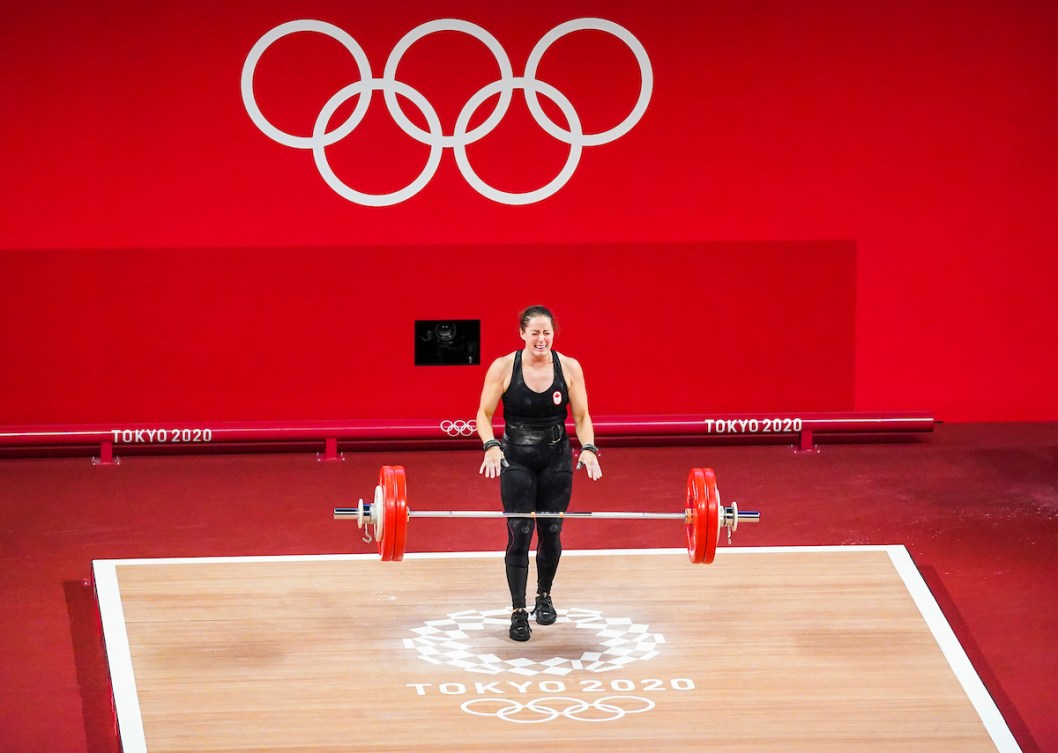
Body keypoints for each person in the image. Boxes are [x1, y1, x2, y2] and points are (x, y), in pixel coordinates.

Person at [476, 305, 602, 642]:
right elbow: (483, 414)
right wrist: (490, 445)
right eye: (535, 333)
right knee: (519, 532)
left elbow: (583, 416)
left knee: (551, 530)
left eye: (547, 333)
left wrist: (588, 449)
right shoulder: (504, 367)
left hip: (556, 460)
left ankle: (543, 597)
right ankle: (518, 612)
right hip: (516, 459)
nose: (541, 339)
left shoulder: (569, 367)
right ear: (522, 334)